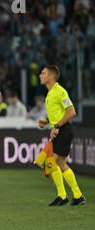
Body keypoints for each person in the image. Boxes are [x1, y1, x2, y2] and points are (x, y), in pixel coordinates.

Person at [38, 64, 85, 206]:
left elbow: (71, 112)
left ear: (51, 76)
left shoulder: (59, 91)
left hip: (63, 131)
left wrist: (57, 126)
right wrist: (46, 121)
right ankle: (77, 195)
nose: (40, 75)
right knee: (61, 164)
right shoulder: (50, 93)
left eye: (43, 73)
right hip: (59, 131)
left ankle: (63, 196)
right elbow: (58, 113)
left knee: (50, 162)